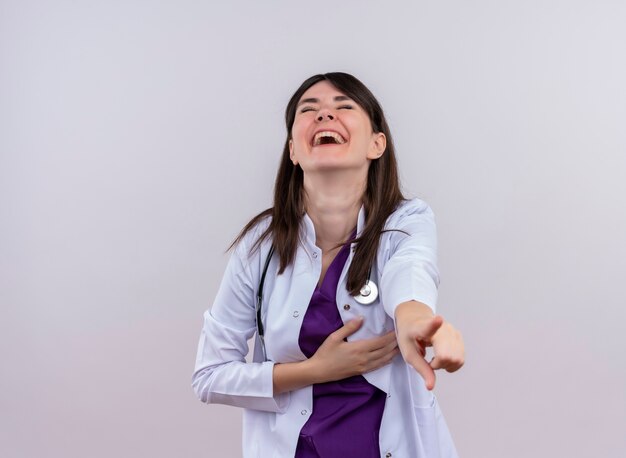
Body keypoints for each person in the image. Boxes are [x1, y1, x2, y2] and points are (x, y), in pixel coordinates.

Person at [192, 72, 464, 457]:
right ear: (292, 150)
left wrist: (420, 324)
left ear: (376, 143)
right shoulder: (261, 245)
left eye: (343, 107)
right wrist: (316, 371)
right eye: (309, 110)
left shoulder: (405, 222)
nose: (324, 116)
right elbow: (210, 375)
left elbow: (412, 275)